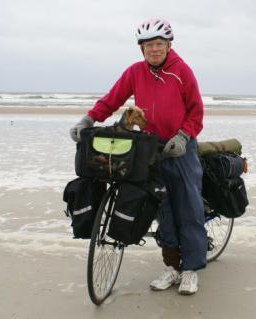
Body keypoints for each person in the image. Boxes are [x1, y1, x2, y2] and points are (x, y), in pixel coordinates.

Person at [70, 18, 206, 295]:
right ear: (141, 48)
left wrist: (183, 136)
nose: (154, 49)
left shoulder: (182, 71)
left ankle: (191, 270)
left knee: (188, 208)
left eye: (159, 44)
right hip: (147, 148)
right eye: (148, 45)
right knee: (160, 208)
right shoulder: (135, 72)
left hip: (180, 147)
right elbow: (112, 99)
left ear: (168, 46)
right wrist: (87, 119)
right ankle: (172, 266)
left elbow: (196, 112)